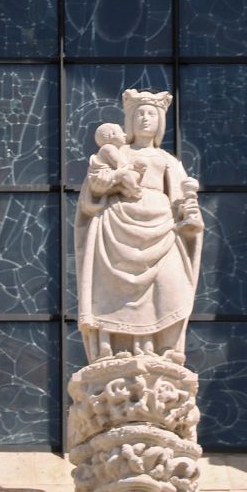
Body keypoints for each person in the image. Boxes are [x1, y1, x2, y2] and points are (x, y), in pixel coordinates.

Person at [76, 90, 202, 362]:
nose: (145, 118)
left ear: (161, 121)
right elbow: (94, 186)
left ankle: (165, 347)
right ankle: (118, 347)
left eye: (151, 114)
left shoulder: (168, 160)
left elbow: (181, 198)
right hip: (119, 224)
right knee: (117, 290)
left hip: (162, 224)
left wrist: (189, 212)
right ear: (130, 121)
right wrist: (115, 178)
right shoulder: (115, 152)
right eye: (139, 113)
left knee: (170, 282)